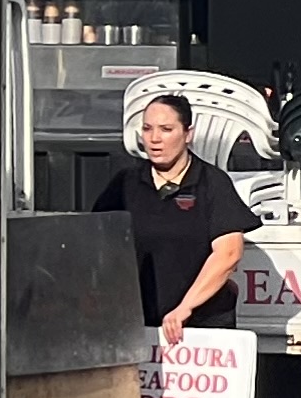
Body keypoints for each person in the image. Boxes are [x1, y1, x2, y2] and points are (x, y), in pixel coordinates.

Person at [97, 91, 256, 349]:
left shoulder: (212, 183)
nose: (154, 138)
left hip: (201, 330)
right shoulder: (125, 184)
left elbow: (229, 253)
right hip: (137, 329)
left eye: (166, 129)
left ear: (187, 133)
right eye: (147, 129)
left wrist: (185, 308)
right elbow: (98, 247)